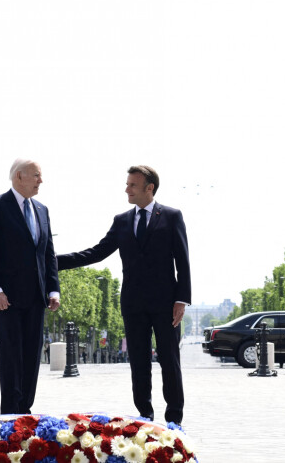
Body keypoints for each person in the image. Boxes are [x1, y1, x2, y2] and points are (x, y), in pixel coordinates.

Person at [57, 165, 191, 424]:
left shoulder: (173, 216)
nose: (126, 189)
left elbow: (183, 261)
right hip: (133, 304)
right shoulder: (122, 221)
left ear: (149, 188)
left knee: (169, 362)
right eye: (127, 183)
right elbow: (96, 252)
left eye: (132, 184)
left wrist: (181, 300)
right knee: (139, 364)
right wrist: (54, 261)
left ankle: (174, 420)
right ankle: (144, 417)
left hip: (166, 304)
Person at [0, 158, 60, 414]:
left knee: (32, 361)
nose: (40, 180)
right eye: (36, 175)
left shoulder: (42, 210)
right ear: (19, 177)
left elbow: (48, 254)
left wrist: (53, 290)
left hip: (36, 300)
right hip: (7, 301)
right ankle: (10, 417)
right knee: (12, 360)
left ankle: (25, 412)